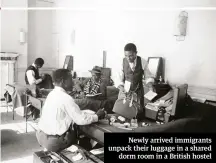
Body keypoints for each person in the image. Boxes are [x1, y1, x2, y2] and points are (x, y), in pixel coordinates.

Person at [36, 69, 106, 152]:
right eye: (71, 78)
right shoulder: (66, 98)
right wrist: (97, 116)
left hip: (41, 135)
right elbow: (81, 120)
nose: (73, 81)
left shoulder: (52, 94)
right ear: (63, 81)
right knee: (86, 139)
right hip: (54, 142)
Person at [117, 43, 155, 118]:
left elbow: (148, 76)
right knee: (124, 112)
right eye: (126, 56)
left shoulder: (143, 61)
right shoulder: (122, 62)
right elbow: (118, 77)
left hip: (138, 89)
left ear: (136, 53)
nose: (128, 58)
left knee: (139, 112)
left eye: (130, 55)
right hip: (126, 89)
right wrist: (121, 87)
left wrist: (150, 86)